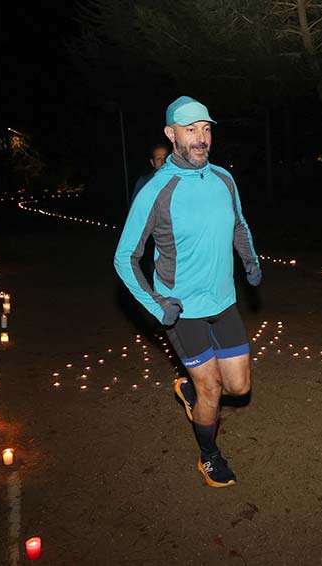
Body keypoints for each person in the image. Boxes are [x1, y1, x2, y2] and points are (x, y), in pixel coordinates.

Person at [114, 96, 261, 487]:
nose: (201, 139)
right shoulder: (155, 191)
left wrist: (250, 261)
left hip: (224, 302)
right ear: (171, 133)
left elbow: (239, 226)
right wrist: (157, 303)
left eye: (206, 129)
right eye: (191, 129)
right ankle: (209, 456)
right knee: (211, 388)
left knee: (239, 387)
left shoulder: (223, 180)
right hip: (181, 311)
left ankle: (192, 396)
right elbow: (125, 256)